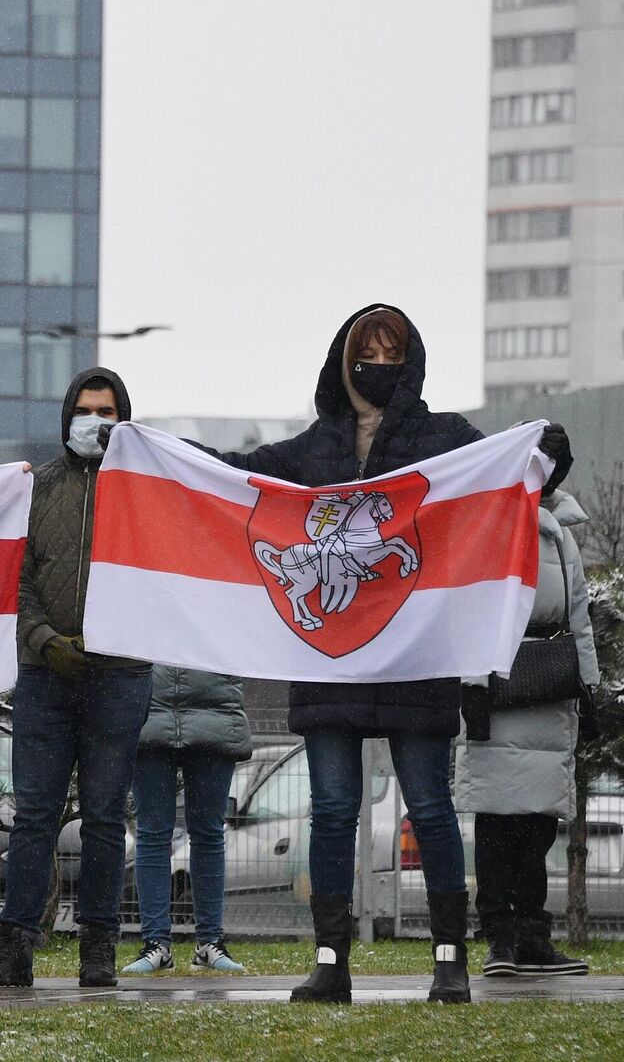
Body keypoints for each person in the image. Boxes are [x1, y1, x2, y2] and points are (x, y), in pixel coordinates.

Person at [187, 303, 573, 1005]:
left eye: (393, 350)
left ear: (412, 360)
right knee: (331, 809)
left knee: (427, 808)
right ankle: (331, 961)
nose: (380, 361)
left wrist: (549, 449)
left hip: (415, 658)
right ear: (344, 359)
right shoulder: (309, 449)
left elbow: (520, 481)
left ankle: (449, 959)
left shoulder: (447, 439)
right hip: (328, 660)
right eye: (369, 349)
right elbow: (236, 480)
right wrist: (162, 456)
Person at [0, 368, 152, 990]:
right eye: (84, 409)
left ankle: (97, 947)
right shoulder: (38, 487)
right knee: (35, 815)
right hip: (45, 675)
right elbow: (14, 579)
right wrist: (46, 641)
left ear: (123, 417)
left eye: (106, 410)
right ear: (66, 416)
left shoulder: (145, 495)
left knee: (104, 816)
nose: (94, 421)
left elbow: (158, 582)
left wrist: (109, 639)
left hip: (120, 676)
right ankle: (15, 945)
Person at [455, 485, 598, 977]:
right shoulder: (492, 522)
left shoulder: (562, 537)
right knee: (497, 823)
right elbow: (474, 604)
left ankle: (531, 939)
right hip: (500, 681)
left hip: (548, 684)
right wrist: (472, 683)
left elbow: (579, 614)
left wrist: (588, 686)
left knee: (537, 825)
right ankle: (501, 938)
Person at [123, 666, 252, 974]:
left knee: (206, 834)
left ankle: (209, 942)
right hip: (152, 713)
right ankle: (158, 944)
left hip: (211, 713)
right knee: (154, 833)